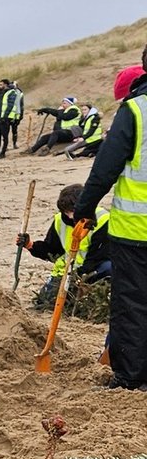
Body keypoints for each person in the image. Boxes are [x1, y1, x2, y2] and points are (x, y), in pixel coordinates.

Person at [75, 63, 147, 389]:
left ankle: (132, 378)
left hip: (136, 232)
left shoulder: (135, 110)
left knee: (132, 305)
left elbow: (105, 169)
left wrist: (84, 209)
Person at [17, 183, 111, 307]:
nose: (71, 216)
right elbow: (53, 251)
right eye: (67, 211)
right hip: (66, 272)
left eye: (73, 210)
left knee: (111, 267)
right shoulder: (60, 221)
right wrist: (30, 245)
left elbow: (97, 257)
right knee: (45, 302)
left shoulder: (103, 220)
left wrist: (77, 280)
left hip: (95, 269)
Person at [0, 78, 17, 159]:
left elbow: (10, 106)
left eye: (1, 84)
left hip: (5, 118)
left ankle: (3, 153)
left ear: (5, 84)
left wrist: (5, 117)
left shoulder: (11, 93)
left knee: (5, 136)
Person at [9, 81, 25, 148]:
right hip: (8, 114)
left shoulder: (20, 93)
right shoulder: (8, 93)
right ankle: (5, 145)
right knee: (5, 131)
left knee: (14, 130)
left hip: (16, 114)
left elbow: (21, 105)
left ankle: (14, 144)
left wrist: (21, 115)